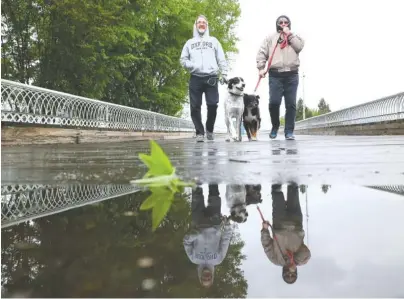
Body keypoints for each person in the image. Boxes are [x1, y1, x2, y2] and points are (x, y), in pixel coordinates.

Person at [180, 15, 228, 142]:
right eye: (199, 22)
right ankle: (199, 132)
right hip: (195, 78)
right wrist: (193, 66)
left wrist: (224, 73)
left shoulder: (214, 41)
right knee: (195, 106)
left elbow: (221, 58)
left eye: (204, 23)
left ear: (207, 26)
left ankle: (210, 129)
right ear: (195, 25)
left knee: (212, 104)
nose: (201, 24)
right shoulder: (189, 43)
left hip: (211, 77)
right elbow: (183, 59)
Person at [256, 15, 305, 140]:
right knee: (274, 103)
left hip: (292, 75)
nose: (283, 23)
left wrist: (289, 35)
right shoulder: (270, 38)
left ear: (289, 24)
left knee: (291, 104)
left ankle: (289, 131)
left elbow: (299, 47)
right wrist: (261, 68)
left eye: (285, 22)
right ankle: (275, 126)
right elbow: (262, 52)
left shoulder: (295, 36)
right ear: (277, 24)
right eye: (280, 22)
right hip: (275, 75)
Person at [183, 184, 233, 288]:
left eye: (204, 279)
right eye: (209, 279)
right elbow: (225, 240)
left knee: (196, 192)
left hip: (198, 222)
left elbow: (186, 242)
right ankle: (212, 169)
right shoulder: (218, 260)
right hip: (214, 223)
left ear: (200, 276)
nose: (207, 277)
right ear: (212, 276)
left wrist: (194, 235)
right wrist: (227, 225)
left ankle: (196, 170)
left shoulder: (193, 259)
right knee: (214, 193)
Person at [260, 183, 311, 284]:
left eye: (288, 275)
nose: (290, 273)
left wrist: (265, 230)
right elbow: (306, 253)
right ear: (296, 272)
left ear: (283, 273)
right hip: (296, 224)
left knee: (276, 192)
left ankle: (277, 170)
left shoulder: (275, 260)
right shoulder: (301, 261)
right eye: (293, 275)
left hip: (279, 224)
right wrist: (294, 261)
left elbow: (267, 245)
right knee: (293, 188)